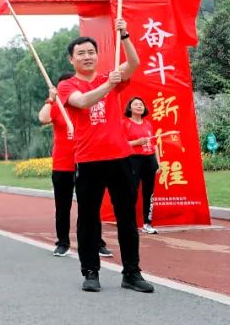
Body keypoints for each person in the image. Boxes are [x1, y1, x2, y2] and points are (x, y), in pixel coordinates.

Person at [58, 21, 153, 294]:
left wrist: (125, 35)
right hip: (89, 160)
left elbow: (133, 63)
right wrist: (109, 85)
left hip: (120, 158)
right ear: (72, 59)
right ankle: (90, 271)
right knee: (88, 218)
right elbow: (83, 102)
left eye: (91, 52)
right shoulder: (67, 85)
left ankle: (132, 272)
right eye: (81, 53)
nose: (87, 56)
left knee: (126, 217)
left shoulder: (108, 78)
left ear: (97, 55)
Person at [39, 74, 115, 260]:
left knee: (90, 206)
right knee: (62, 206)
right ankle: (63, 242)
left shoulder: (87, 105)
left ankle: (97, 242)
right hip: (63, 164)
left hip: (87, 161)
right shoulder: (57, 107)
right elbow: (43, 118)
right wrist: (51, 99)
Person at [123, 97, 160, 235]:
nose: (139, 106)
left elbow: (154, 145)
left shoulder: (148, 124)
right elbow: (120, 143)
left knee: (148, 193)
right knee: (131, 192)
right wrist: (136, 142)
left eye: (141, 104)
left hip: (149, 160)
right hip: (133, 160)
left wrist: (158, 162)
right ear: (130, 108)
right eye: (136, 104)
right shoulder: (125, 124)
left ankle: (147, 223)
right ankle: (130, 224)